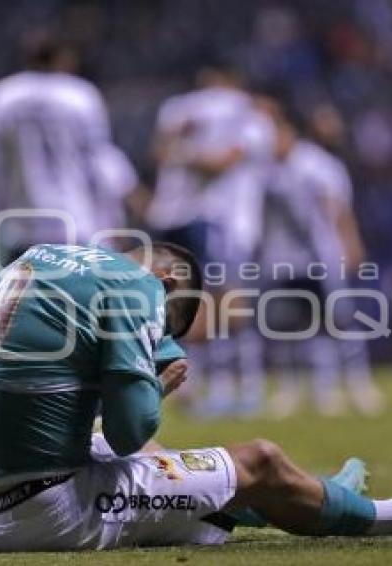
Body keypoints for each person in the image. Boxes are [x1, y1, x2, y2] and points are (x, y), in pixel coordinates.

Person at [0, 240, 392, 551]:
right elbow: (128, 430)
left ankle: (306, 495)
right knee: (259, 460)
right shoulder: (139, 287)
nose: (158, 339)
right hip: (46, 513)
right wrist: (155, 384)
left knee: (156, 465)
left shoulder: (39, 258)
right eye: (166, 328)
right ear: (169, 281)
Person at [146, 62, 274, 417]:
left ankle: (242, 384)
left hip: (230, 220)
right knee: (207, 302)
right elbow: (172, 154)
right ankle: (214, 385)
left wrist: (182, 150)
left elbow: (219, 162)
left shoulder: (245, 119)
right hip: (212, 218)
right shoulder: (225, 114)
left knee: (226, 302)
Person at [256, 95, 383, 418]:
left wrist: (350, 244)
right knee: (286, 327)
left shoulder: (315, 164)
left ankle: (357, 385)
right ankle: (293, 389)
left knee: (338, 321)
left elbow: (338, 208)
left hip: (321, 255)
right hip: (281, 260)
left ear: (289, 132)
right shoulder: (265, 168)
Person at [0, 31, 133, 267]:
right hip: (77, 225)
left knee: (27, 302)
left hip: (22, 229)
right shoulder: (80, 95)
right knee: (82, 301)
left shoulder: (2, 96)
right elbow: (100, 162)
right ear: (63, 57)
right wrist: (115, 221)